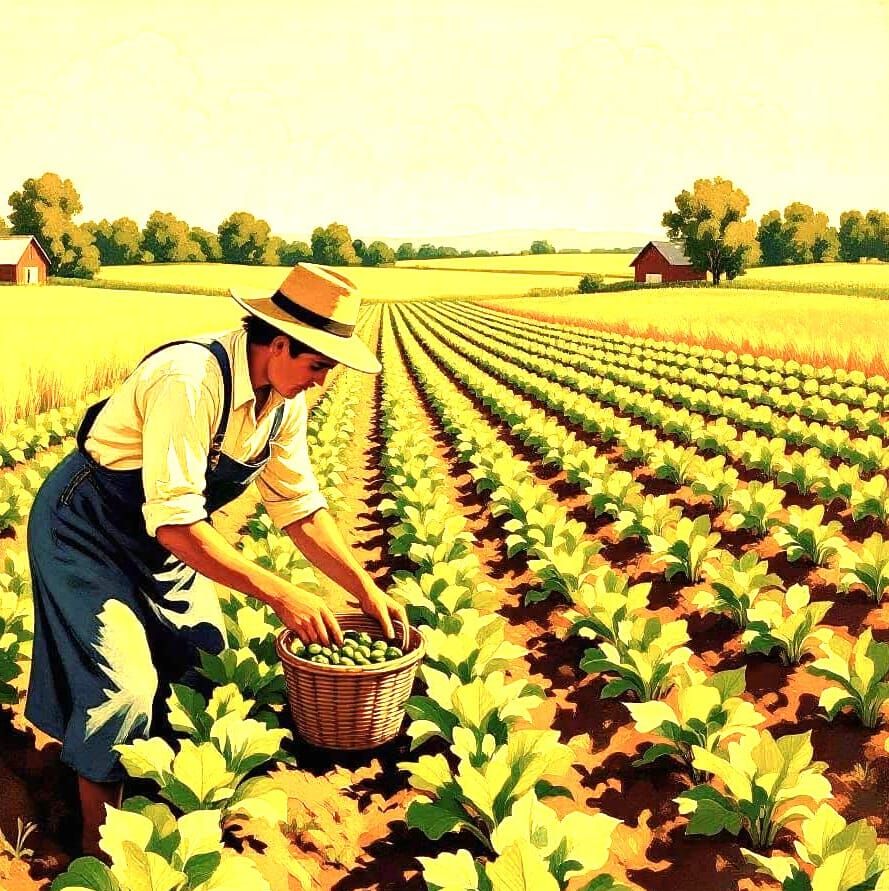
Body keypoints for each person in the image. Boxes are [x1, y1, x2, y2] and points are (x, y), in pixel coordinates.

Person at [23, 262, 406, 860]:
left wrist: (364, 588)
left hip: (160, 539)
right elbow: (177, 522)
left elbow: (300, 506)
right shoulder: (189, 378)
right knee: (123, 686)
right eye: (318, 365)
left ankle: (164, 790)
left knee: (204, 665)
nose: (321, 381)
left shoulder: (283, 399)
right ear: (279, 343)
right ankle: (102, 849)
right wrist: (282, 594)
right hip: (88, 531)